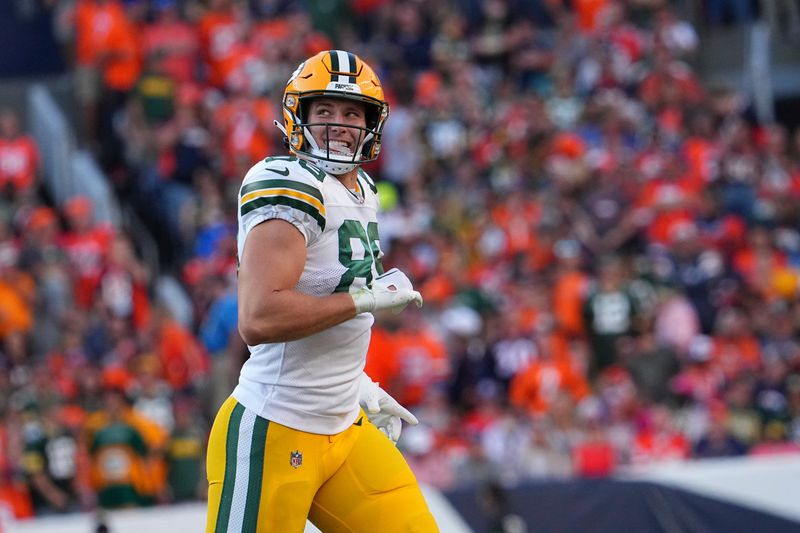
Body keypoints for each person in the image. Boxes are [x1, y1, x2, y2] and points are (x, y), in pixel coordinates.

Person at [205, 50, 439, 532]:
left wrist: (355, 383)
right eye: (325, 110)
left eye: (352, 112)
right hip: (275, 426)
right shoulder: (286, 181)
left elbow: (328, 298)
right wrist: (366, 299)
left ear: (370, 124)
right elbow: (259, 317)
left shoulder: (364, 191)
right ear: (299, 117)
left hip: (343, 424)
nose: (338, 123)